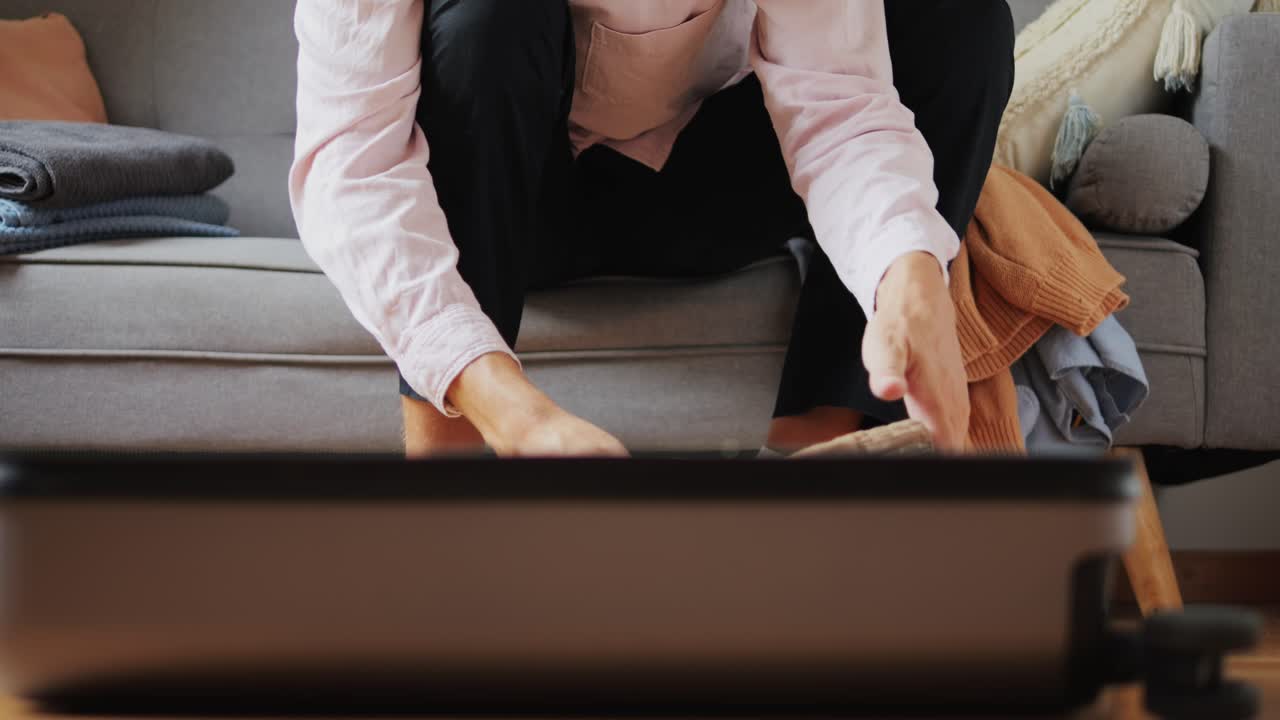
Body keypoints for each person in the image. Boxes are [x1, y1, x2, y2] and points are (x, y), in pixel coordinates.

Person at [290, 1, 1015, 457]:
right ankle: (451, 490)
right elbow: (351, 164)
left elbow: (840, 103)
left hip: (704, 193)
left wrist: (910, 273)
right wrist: (511, 411)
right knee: (492, 20)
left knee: (958, 18)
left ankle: (808, 464)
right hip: (513, 212)